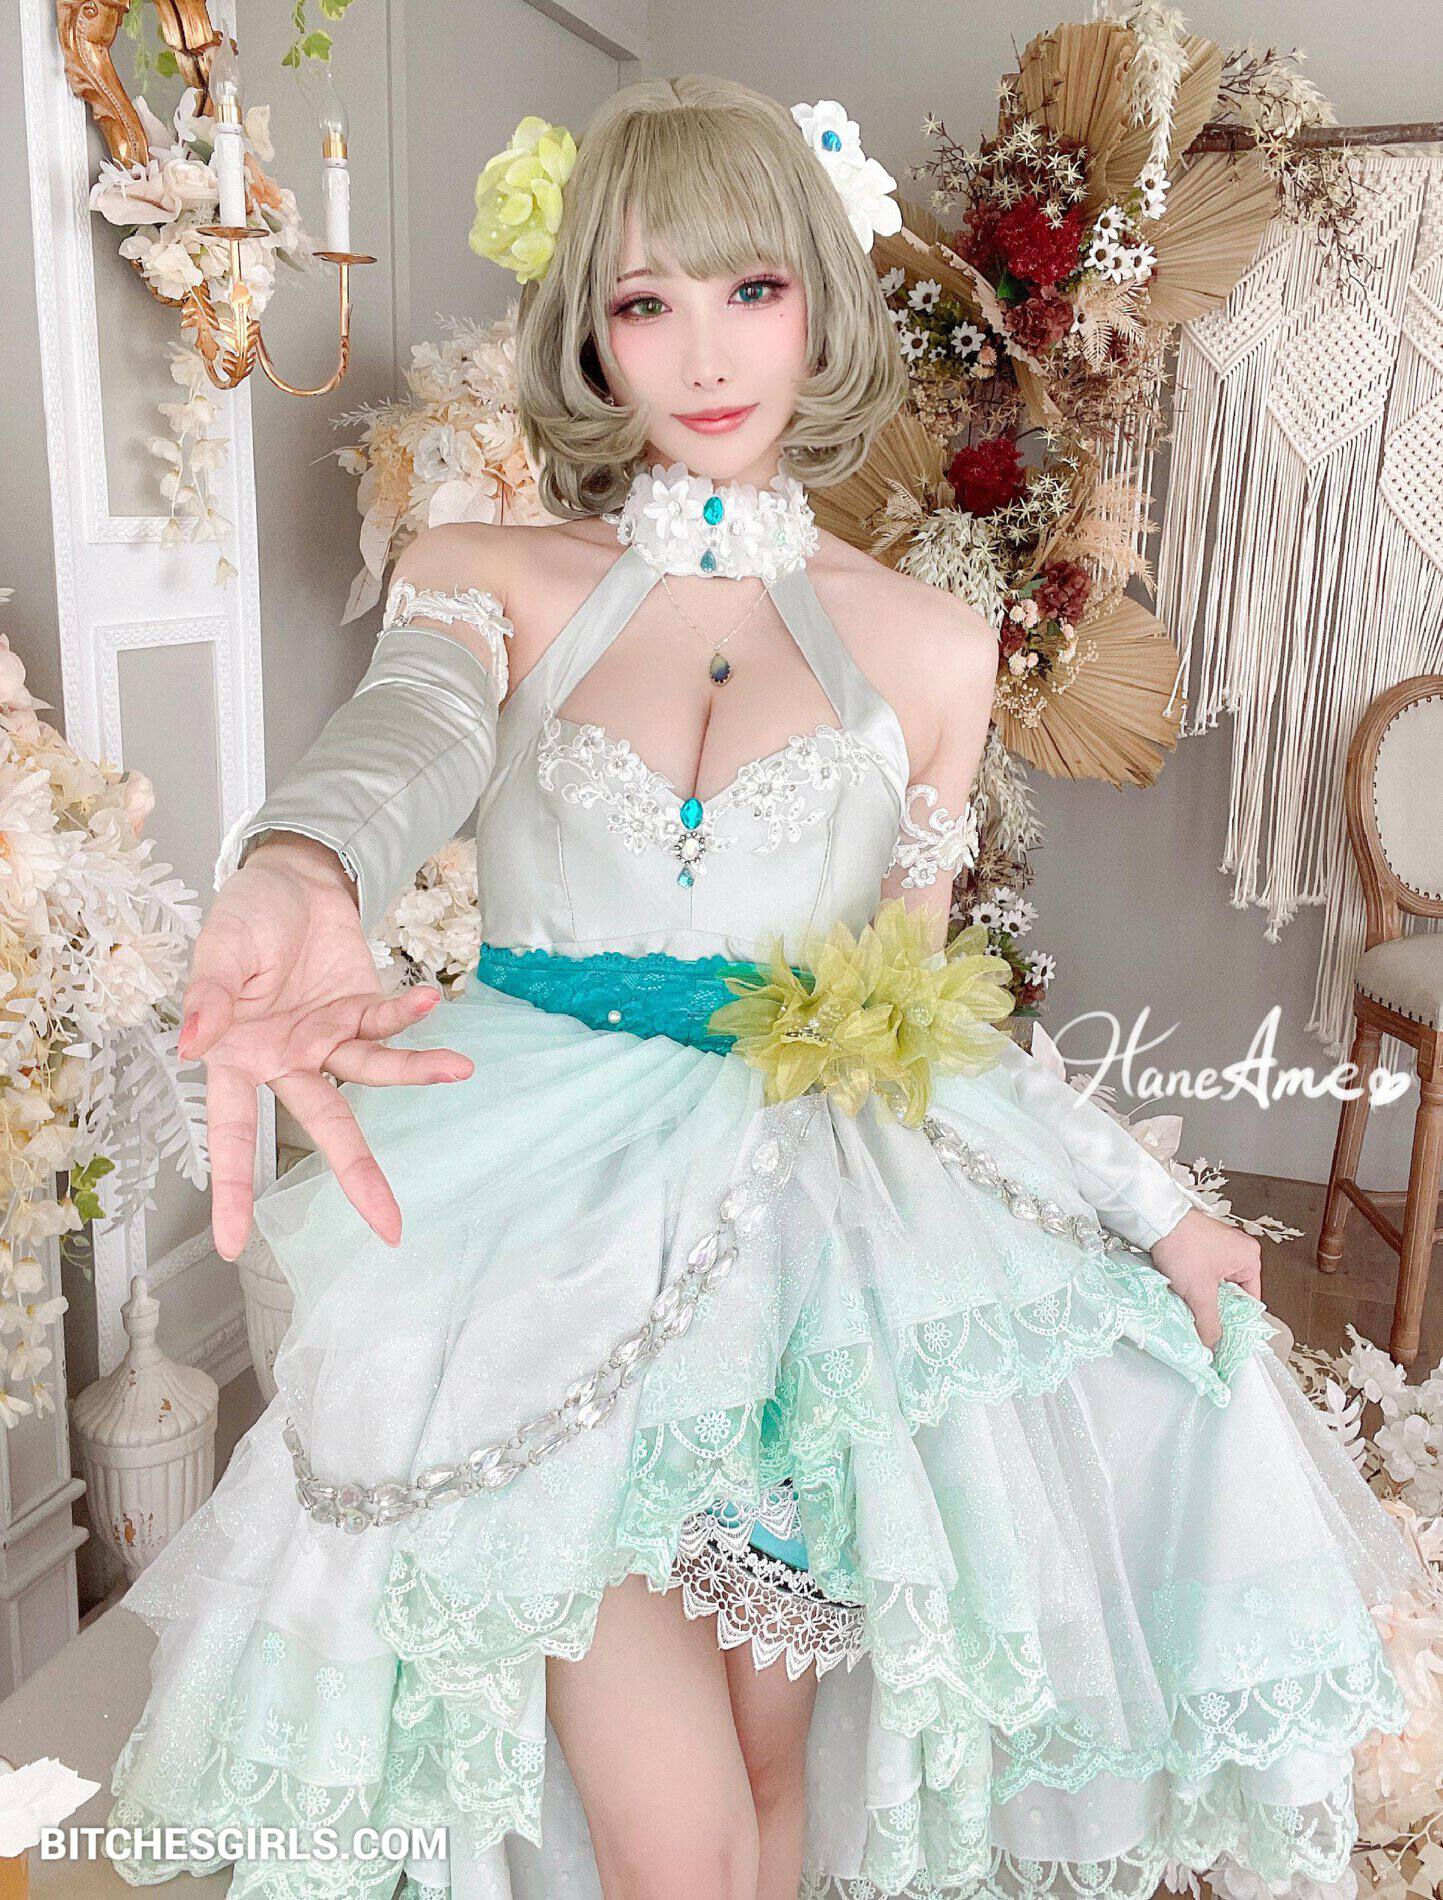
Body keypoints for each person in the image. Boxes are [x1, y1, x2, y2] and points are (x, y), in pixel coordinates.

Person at [103, 73, 1428, 1900]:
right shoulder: (482, 574)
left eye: (751, 289)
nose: (706, 352)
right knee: (679, 1839)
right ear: (592, 333)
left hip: (818, 1269)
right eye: (646, 301)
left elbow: (925, 1014)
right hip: (546, 1244)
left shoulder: (937, 646)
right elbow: (406, 732)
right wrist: (305, 861)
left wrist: (1153, 1205)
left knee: (769, 1774)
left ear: (819, 301)